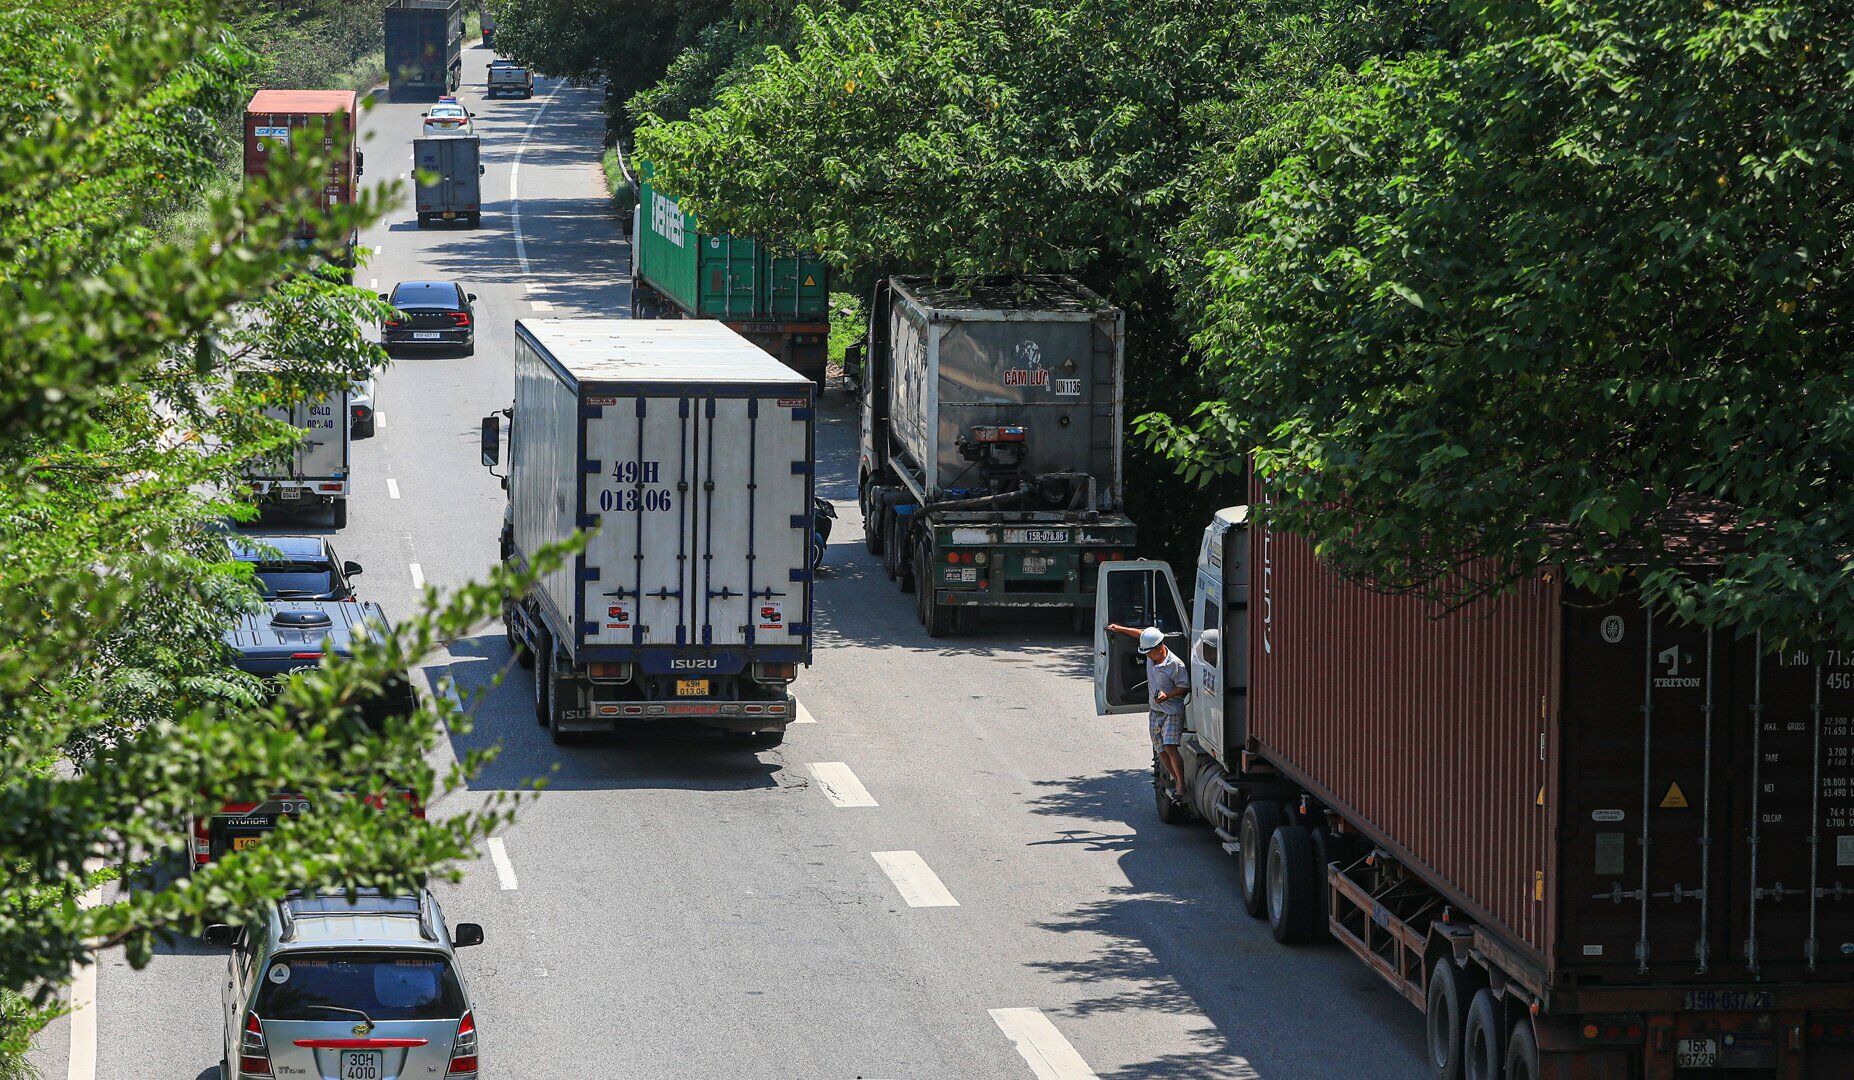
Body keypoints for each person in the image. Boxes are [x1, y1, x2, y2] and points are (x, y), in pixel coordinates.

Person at [1104, 622, 1189, 803]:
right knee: (1160, 750)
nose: (1147, 656)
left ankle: (1181, 784)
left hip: (1172, 710)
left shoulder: (1176, 664)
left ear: (1160, 647)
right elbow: (1141, 635)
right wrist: (1119, 629)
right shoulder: (1151, 655)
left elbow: (1184, 687)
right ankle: (1175, 777)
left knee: (1170, 747)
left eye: (1150, 652)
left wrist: (1167, 695)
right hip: (1155, 710)